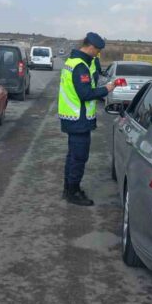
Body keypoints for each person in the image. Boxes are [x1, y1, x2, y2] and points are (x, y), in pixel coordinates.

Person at [59, 32, 115, 206]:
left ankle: (68, 189)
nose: (98, 54)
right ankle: (73, 193)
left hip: (73, 118)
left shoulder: (74, 62)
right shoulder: (80, 66)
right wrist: (107, 89)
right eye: (97, 50)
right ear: (90, 47)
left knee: (73, 157)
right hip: (78, 120)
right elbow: (85, 94)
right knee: (79, 158)